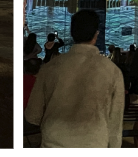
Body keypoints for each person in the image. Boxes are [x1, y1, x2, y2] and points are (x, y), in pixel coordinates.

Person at [25, 9, 125, 147]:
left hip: (54, 142)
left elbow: (33, 115)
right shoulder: (113, 71)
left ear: (72, 33)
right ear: (96, 34)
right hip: (93, 142)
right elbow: (115, 123)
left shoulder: (50, 68)